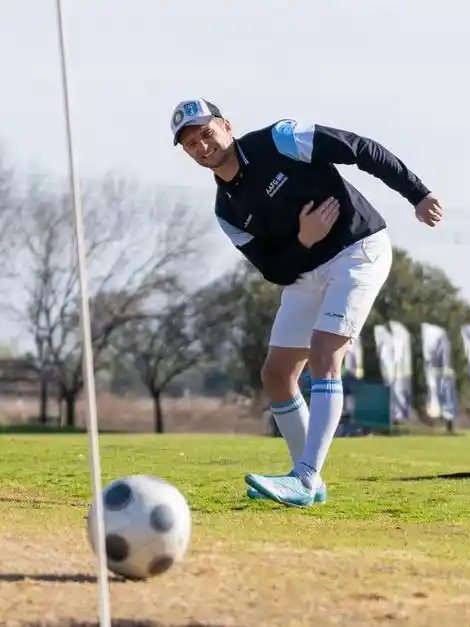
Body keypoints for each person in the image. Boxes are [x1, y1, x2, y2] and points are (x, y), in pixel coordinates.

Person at [170, 98, 443, 507]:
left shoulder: (280, 140)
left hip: (357, 250)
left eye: (206, 133)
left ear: (226, 126)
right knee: (277, 375)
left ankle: (304, 476)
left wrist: (417, 194)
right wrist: (304, 239)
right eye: (191, 144)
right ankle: (309, 483)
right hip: (305, 273)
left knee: (324, 357)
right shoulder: (226, 209)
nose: (202, 146)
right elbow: (274, 270)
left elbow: (359, 148)